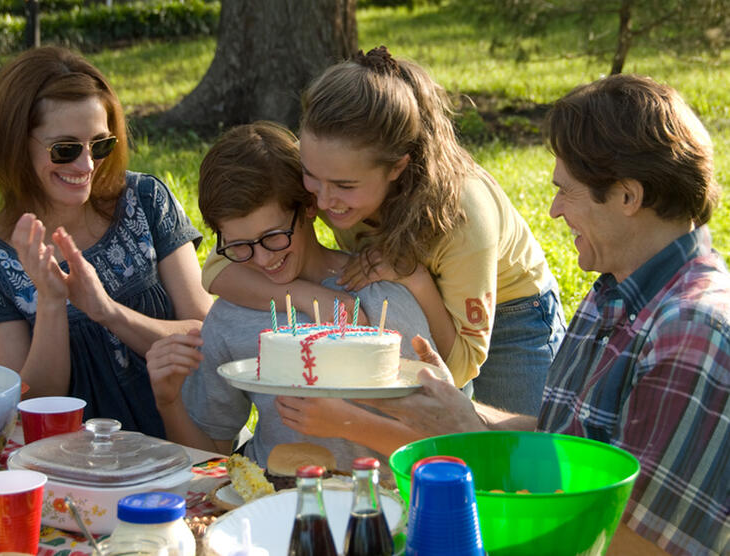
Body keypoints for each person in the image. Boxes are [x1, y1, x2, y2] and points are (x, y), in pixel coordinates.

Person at [361, 74, 729, 556]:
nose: (554, 210)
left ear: (626, 197)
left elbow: (639, 543)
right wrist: (459, 413)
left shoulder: (691, 331)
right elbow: (566, 445)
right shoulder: (619, 290)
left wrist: (474, 441)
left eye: (566, 191)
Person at [200, 46, 565, 416]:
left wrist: (414, 278)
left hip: (510, 317)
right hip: (410, 302)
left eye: (344, 186)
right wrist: (319, 302)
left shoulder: (463, 217)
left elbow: (454, 371)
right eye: (311, 176)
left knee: (516, 458)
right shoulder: (327, 166)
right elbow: (216, 268)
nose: (324, 201)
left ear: (396, 167)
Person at [145, 121, 445, 469]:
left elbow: (441, 439)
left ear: (309, 207)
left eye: (273, 236)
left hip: (377, 504)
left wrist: (344, 420)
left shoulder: (381, 295)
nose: (262, 258)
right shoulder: (230, 317)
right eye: (240, 246)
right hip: (272, 499)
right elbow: (212, 458)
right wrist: (168, 402)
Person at [0, 46, 213, 438]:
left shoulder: (145, 200)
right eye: (65, 149)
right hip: (79, 465)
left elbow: (208, 335)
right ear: (14, 145)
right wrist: (52, 302)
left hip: (192, 441)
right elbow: (33, 404)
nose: (87, 165)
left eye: (100, 144)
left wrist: (108, 312)